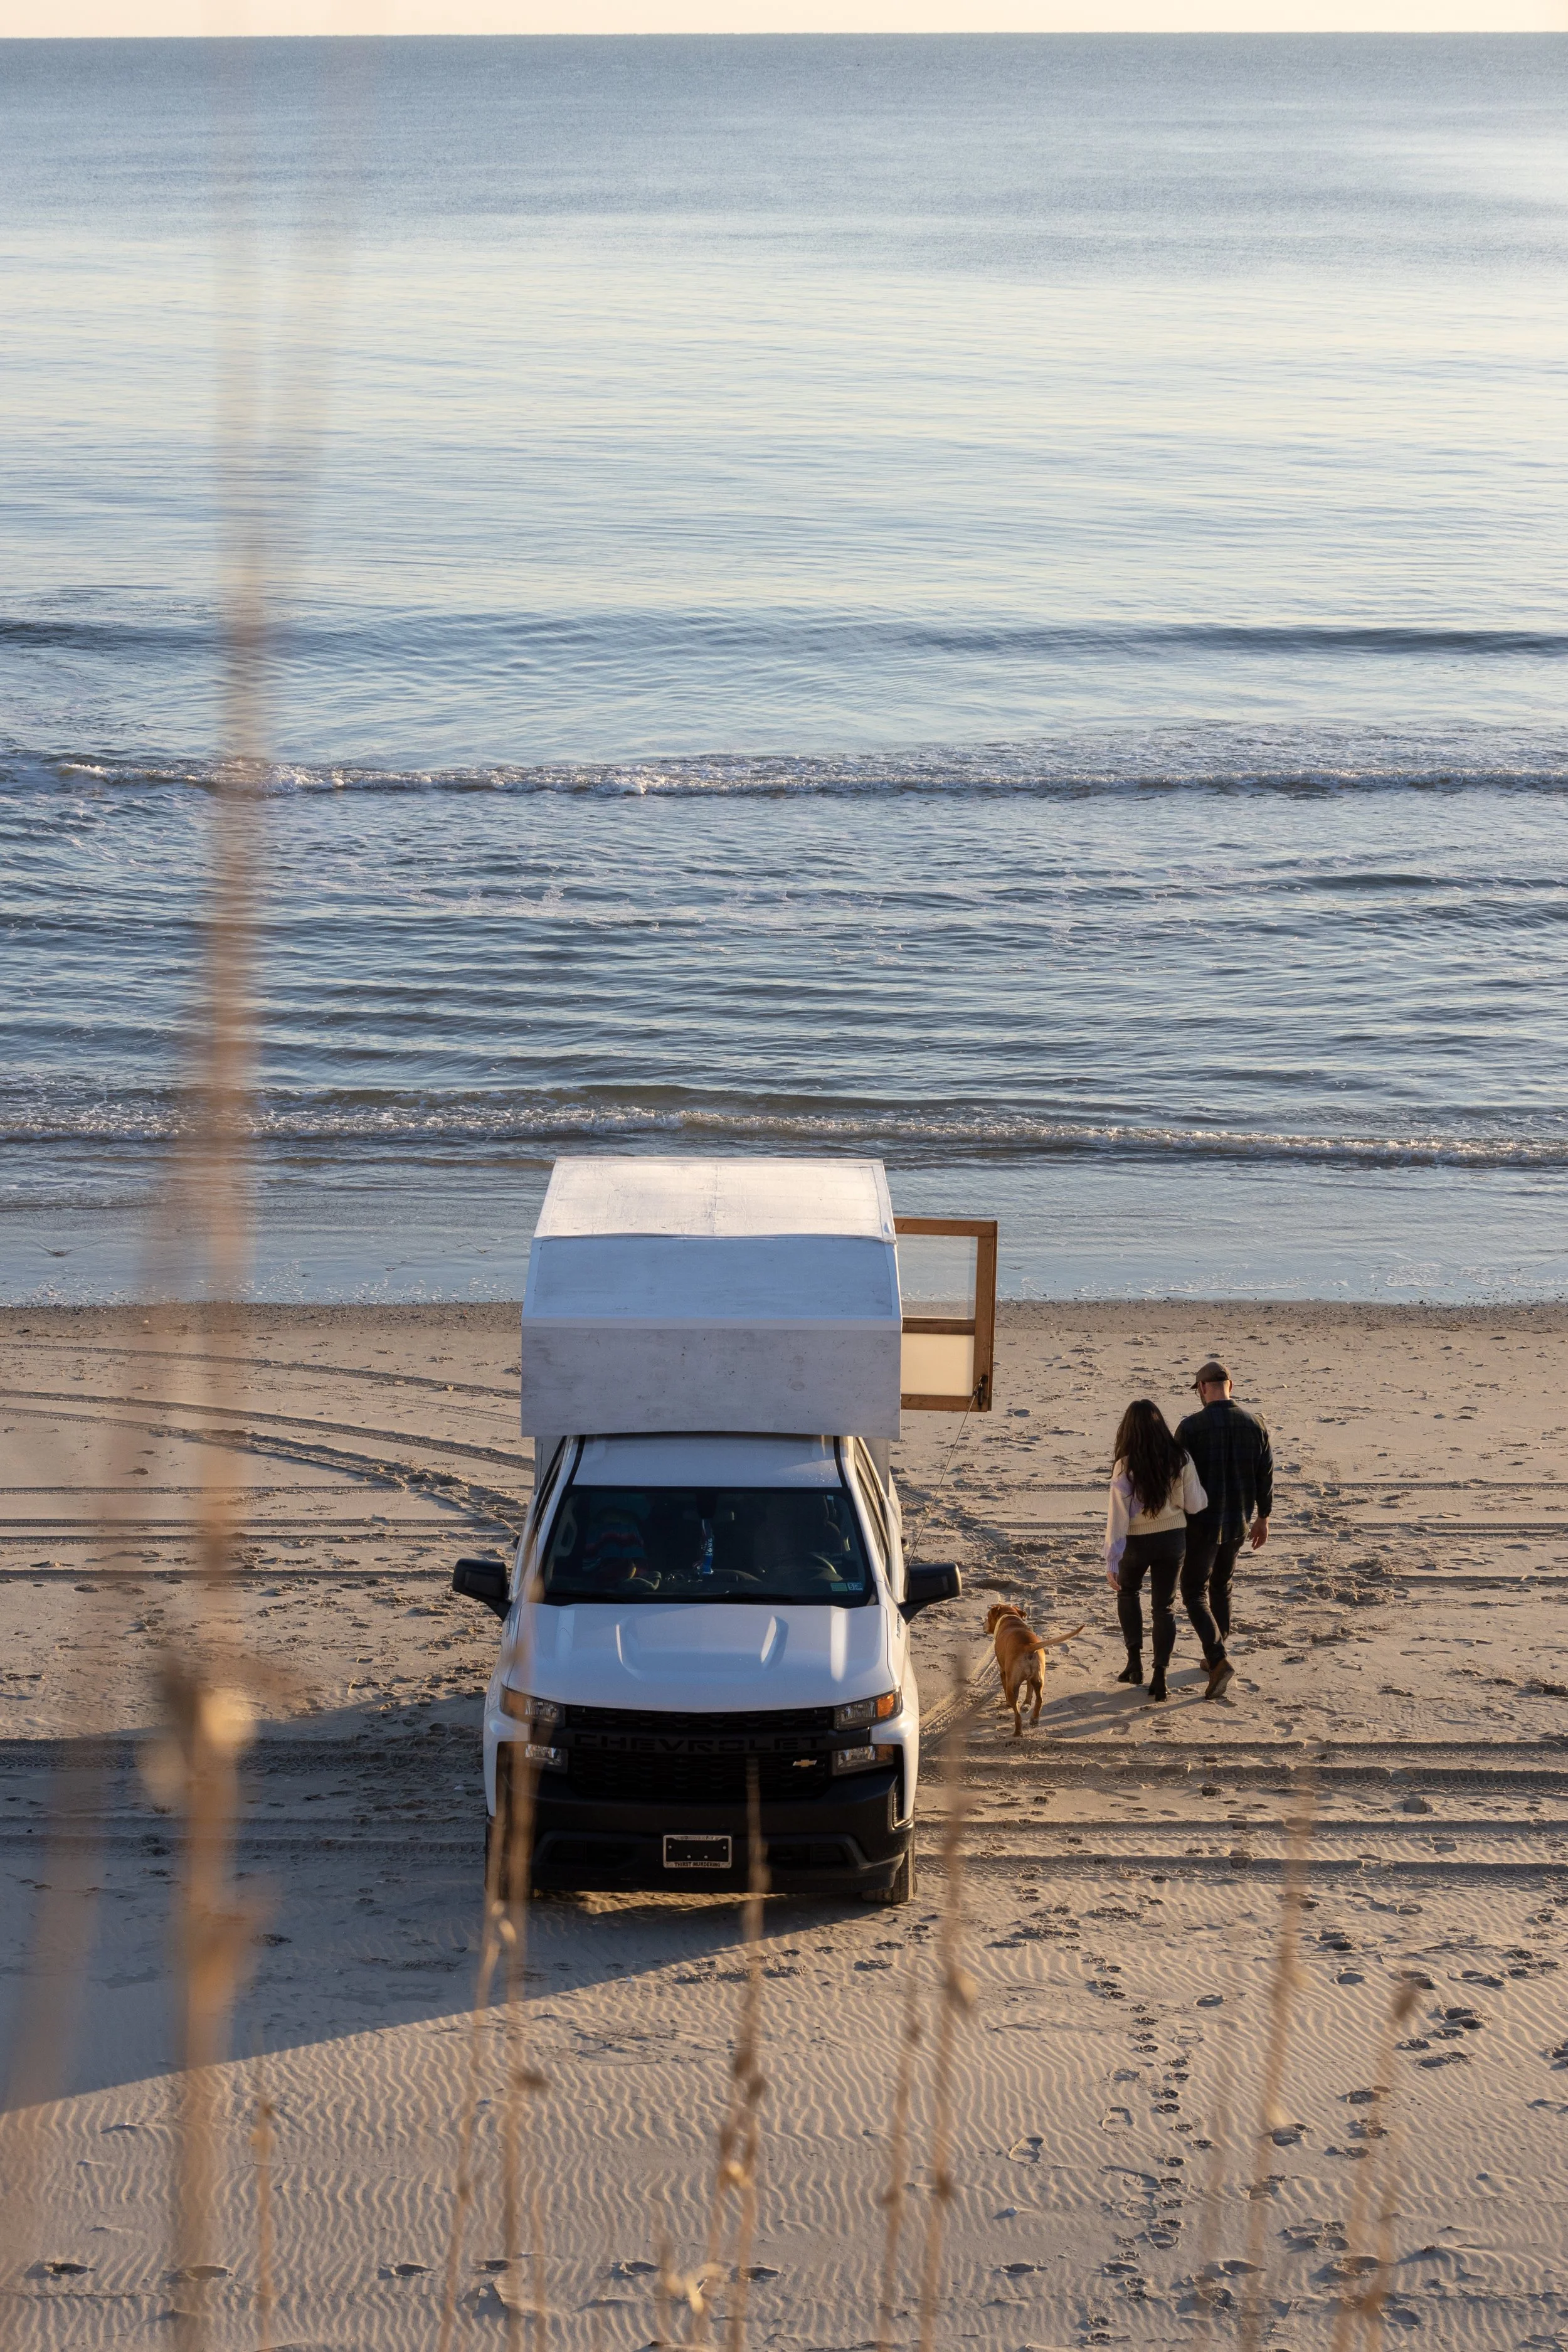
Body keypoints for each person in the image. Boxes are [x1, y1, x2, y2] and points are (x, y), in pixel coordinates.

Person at [1176, 1359, 1273, 1702]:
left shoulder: (1190, 1427)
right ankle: (1216, 1651)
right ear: (1231, 1386)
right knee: (1221, 1585)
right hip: (1239, 1521)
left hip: (1201, 1522)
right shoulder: (1256, 1424)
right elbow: (1266, 1475)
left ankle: (1218, 1659)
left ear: (1203, 1389)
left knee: (1192, 1590)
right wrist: (1264, 1517)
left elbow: (1178, 1480)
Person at [1104, 1399, 1207, 1703]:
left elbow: (1118, 1517)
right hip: (1172, 1540)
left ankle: (1134, 1664)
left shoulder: (1125, 1465)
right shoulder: (1181, 1458)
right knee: (1164, 1609)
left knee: (1127, 1593)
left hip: (1135, 1544)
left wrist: (1113, 1558)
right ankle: (1160, 1676)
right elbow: (1195, 1504)